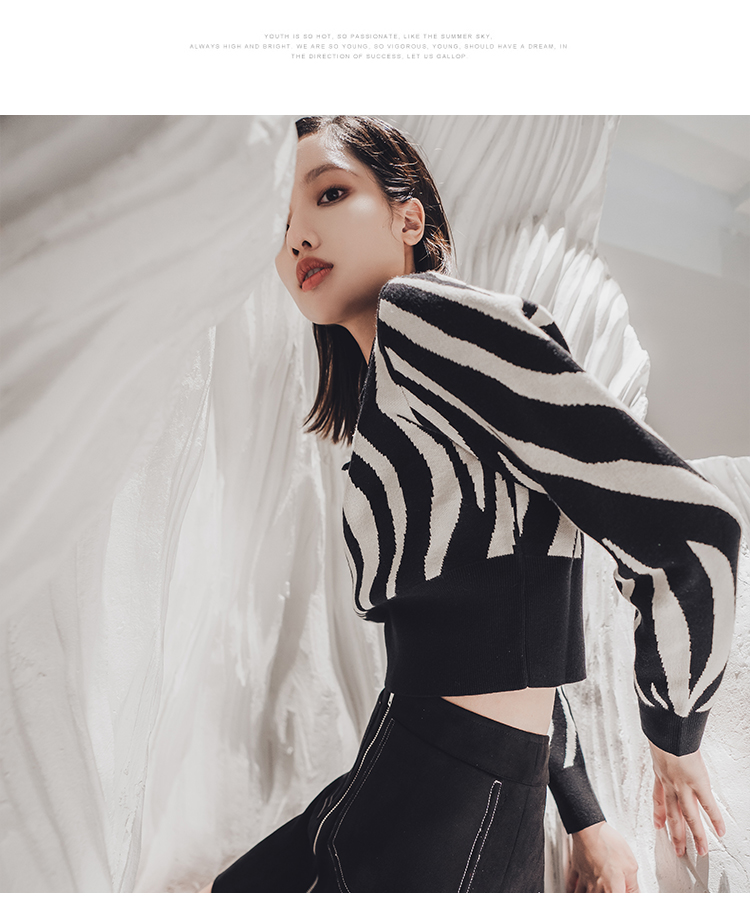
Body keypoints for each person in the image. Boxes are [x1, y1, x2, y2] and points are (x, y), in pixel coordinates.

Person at [207, 116, 741, 893]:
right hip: (405, 780)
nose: (298, 237)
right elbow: (508, 635)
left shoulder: (422, 315)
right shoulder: (393, 389)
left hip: (448, 811)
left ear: (408, 217)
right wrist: (585, 813)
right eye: (282, 221)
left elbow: (694, 529)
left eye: (329, 194)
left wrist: (675, 732)